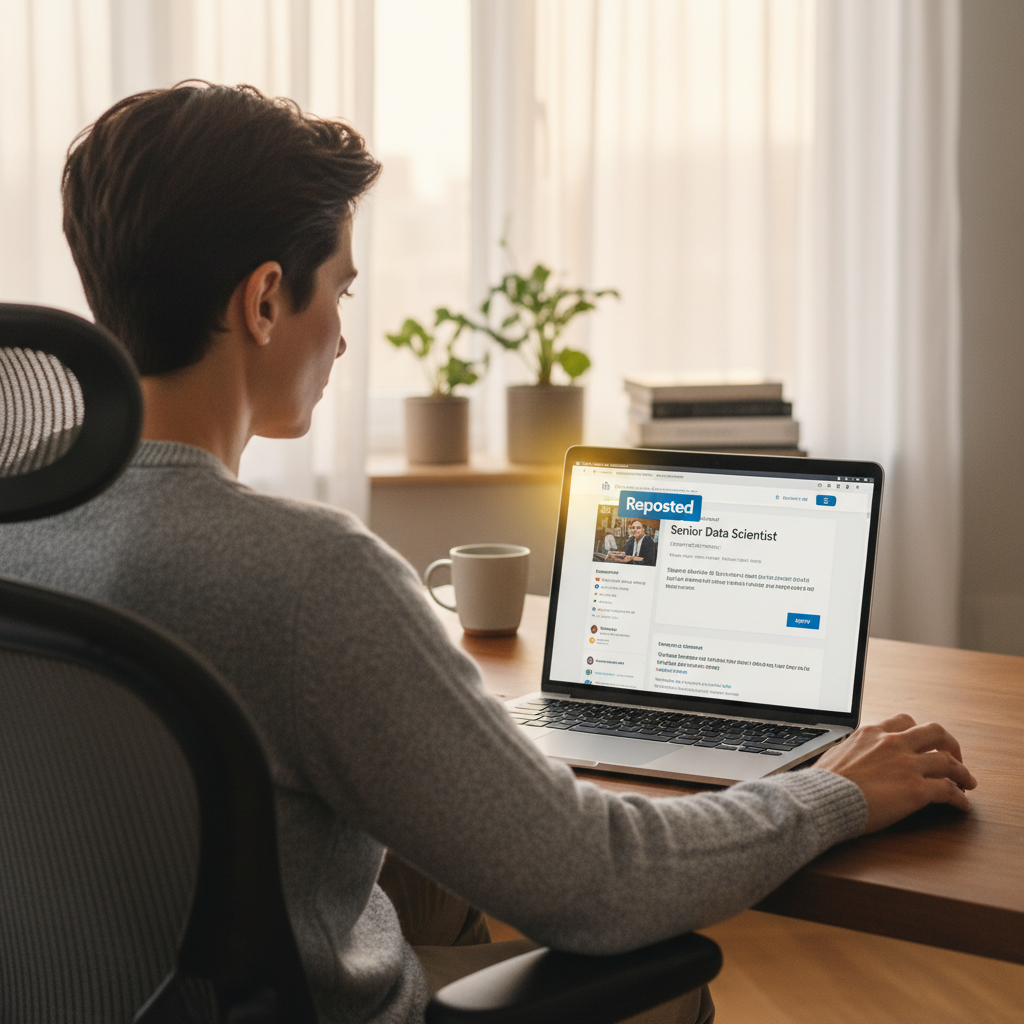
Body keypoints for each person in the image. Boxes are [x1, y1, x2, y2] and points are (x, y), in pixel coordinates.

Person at [0, 83, 976, 1024]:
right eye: (338, 290)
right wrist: (832, 791)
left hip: (102, 981)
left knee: (424, 878)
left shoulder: (17, 508)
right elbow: (599, 881)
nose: (341, 336)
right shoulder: (302, 572)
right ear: (263, 301)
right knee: (657, 976)